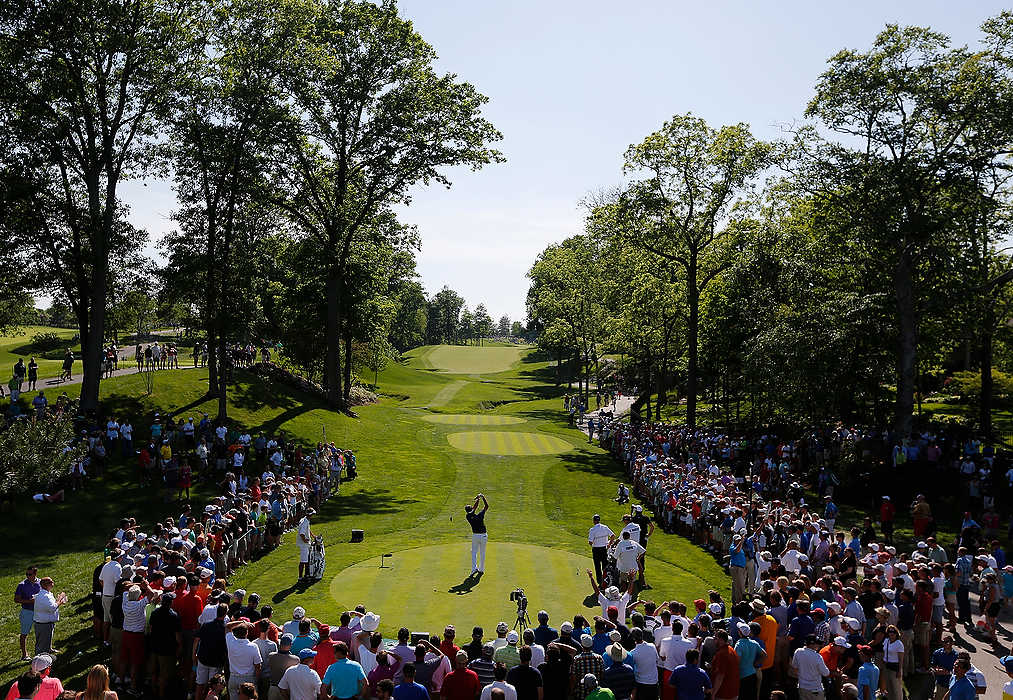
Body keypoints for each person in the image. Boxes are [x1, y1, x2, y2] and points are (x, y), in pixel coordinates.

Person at [32, 578, 65, 656]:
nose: (52, 582)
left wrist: (57, 601)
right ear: (45, 585)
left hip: (42, 622)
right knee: (42, 643)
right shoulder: (45, 596)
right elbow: (52, 608)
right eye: (50, 582)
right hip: (44, 624)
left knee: (46, 639)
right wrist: (60, 600)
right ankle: (40, 658)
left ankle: (49, 650)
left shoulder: (45, 594)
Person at [15, 566, 41, 662]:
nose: (27, 576)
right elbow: (16, 599)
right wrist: (29, 601)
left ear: (35, 574)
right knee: (24, 633)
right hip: (27, 612)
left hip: (39, 611)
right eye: (26, 574)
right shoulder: (22, 585)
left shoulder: (41, 583)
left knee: (41, 632)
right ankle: (24, 654)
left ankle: (43, 651)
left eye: (29, 574)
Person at [791, 635, 829, 700]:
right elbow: (826, 673)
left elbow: (794, 666)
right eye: (817, 643)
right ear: (811, 644)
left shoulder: (798, 652)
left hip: (802, 688)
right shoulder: (817, 657)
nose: (819, 645)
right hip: (815, 689)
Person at [466, 493, 489, 574]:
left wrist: (478, 499)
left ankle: (473, 569)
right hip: (483, 536)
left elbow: (474, 508)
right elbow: (486, 506)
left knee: (474, 552)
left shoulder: (468, 516)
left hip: (475, 536)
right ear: (472, 509)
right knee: (482, 552)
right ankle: (481, 569)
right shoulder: (480, 515)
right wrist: (481, 497)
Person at [588, 515, 614, 584]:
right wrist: (609, 544)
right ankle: (606, 580)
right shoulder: (605, 527)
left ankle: (600, 582)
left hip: (596, 550)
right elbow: (612, 536)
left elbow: (590, 542)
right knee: (605, 565)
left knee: (597, 566)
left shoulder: (592, 529)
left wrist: (593, 544)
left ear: (594, 521)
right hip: (604, 549)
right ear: (599, 520)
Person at [296, 509, 315, 581]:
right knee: (303, 561)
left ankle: (306, 575)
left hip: (305, 544)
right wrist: (305, 540)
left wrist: (313, 536)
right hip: (304, 545)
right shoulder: (304, 522)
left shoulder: (305, 520)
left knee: (306, 560)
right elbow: (302, 533)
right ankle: (300, 577)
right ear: (310, 515)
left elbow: (308, 529)